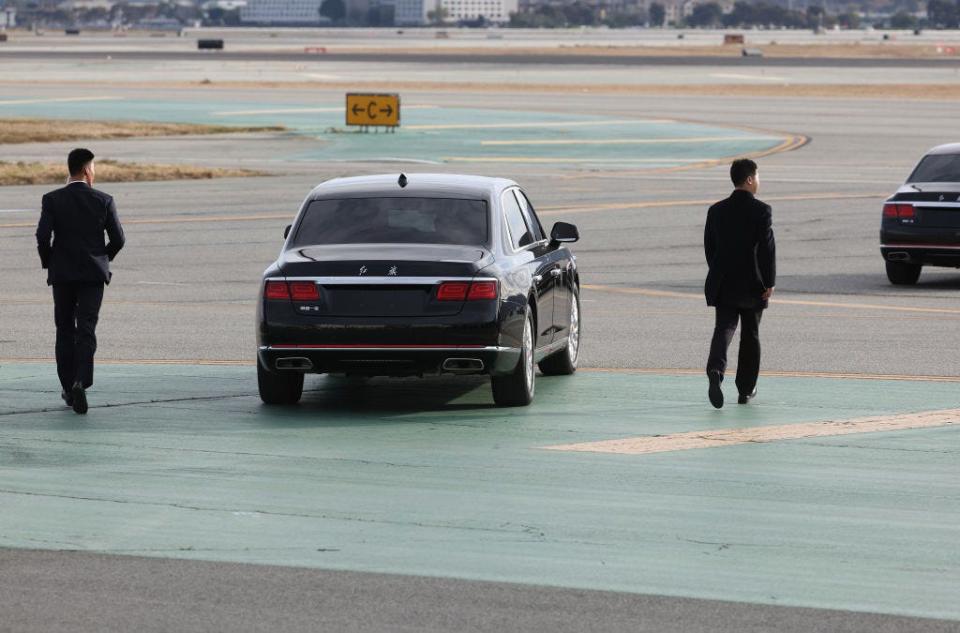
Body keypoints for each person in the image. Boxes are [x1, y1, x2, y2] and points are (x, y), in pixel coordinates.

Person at [36, 148, 125, 415]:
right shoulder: (104, 200)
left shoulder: (52, 199)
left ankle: (67, 387)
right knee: (86, 328)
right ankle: (80, 382)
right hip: (92, 275)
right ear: (87, 171)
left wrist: (50, 261)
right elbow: (119, 239)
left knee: (64, 329)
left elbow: (42, 237)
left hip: (62, 274)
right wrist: (101, 259)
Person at [703, 158, 775, 409]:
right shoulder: (762, 211)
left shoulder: (716, 210)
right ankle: (745, 389)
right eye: (757, 177)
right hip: (753, 283)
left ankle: (715, 370)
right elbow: (766, 250)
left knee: (724, 327)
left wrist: (719, 270)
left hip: (723, 280)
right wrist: (769, 282)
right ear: (749, 180)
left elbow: (709, 249)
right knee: (750, 334)